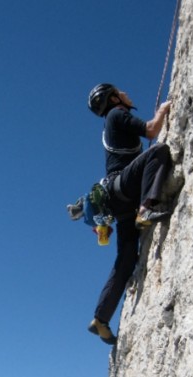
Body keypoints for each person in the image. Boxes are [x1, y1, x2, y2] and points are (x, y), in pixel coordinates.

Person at [73, 84, 171, 344]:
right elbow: (152, 130)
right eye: (120, 91)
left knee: (127, 258)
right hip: (122, 188)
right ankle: (147, 208)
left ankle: (101, 319)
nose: (127, 93)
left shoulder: (112, 121)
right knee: (159, 151)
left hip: (119, 200)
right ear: (114, 98)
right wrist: (162, 110)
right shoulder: (117, 114)